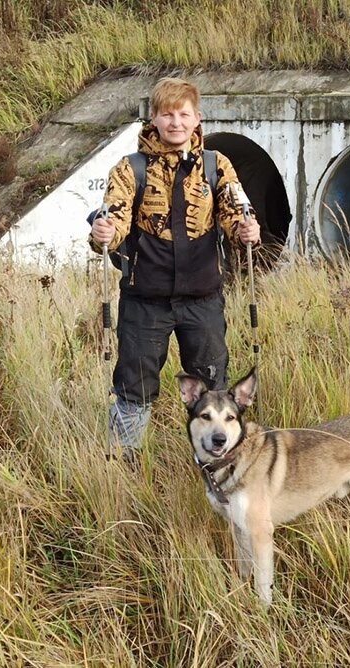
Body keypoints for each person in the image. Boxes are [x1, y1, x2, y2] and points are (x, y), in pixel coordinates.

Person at [89, 76, 261, 461]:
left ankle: (219, 466)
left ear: (198, 118)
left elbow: (237, 213)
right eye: (167, 115)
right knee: (133, 386)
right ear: (153, 118)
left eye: (184, 114)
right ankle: (123, 464)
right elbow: (111, 219)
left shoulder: (217, 165)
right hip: (144, 301)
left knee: (213, 386)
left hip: (202, 300)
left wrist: (246, 229)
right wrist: (104, 231)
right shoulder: (128, 169)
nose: (176, 123)